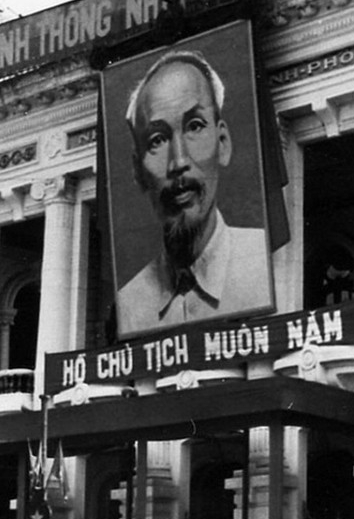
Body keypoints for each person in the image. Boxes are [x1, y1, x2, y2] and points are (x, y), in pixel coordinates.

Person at [117, 50, 273, 336]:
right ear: (138, 171)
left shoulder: (264, 267)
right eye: (157, 140)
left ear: (222, 143)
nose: (178, 162)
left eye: (195, 126)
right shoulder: (128, 302)